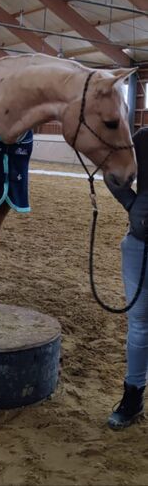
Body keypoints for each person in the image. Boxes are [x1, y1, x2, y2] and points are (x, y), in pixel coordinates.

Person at [106, 125, 148, 429]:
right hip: (140, 244)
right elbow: (113, 171)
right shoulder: (143, 139)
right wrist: (132, 204)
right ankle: (133, 396)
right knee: (139, 325)